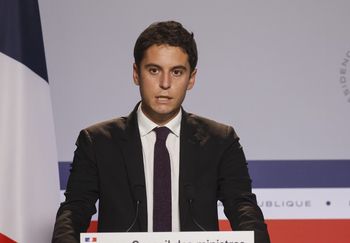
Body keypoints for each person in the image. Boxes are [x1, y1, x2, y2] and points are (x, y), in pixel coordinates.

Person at [52, 20, 270, 243]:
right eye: (154, 70)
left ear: (191, 78)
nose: (165, 83)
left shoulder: (221, 141)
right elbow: (73, 212)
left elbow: (243, 209)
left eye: (177, 72)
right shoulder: (97, 142)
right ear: (136, 73)